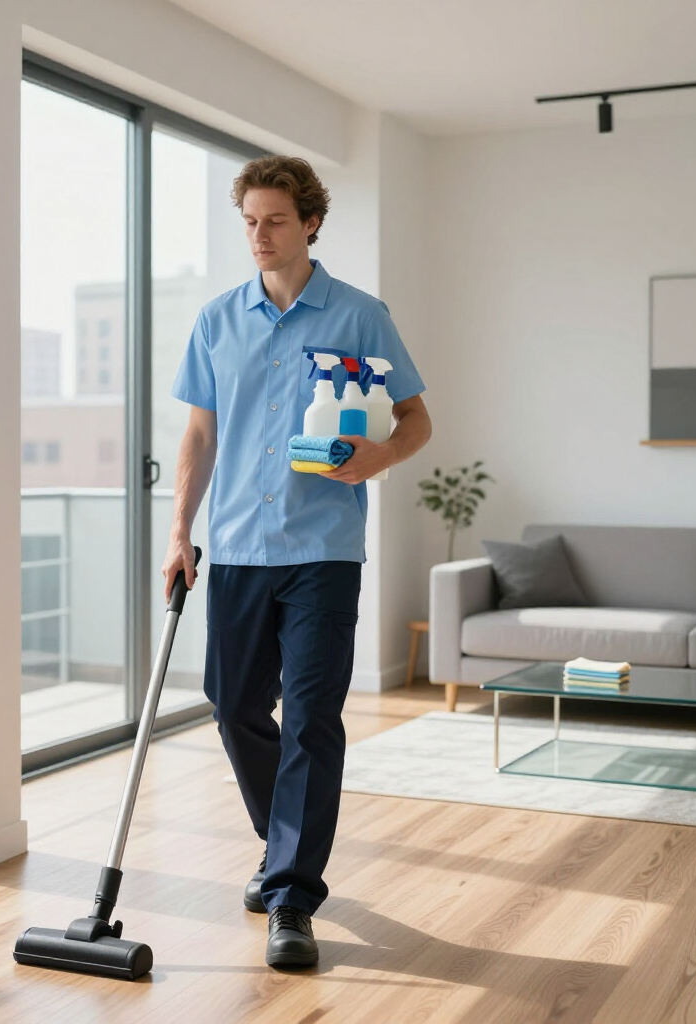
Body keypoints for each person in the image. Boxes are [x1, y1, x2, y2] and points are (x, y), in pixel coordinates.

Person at [162, 155, 431, 968]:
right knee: (232, 704)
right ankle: (284, 844)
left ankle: (291, 895)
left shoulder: (359, 315)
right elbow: (201, 436)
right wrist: (179, 530)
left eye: (275, 220)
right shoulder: (217, 320)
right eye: (249, 221)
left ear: (310, 222)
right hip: (239, 545)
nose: (259, 235)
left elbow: (417, 421)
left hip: (322, 552)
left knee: (313, 719)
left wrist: (375, 458)